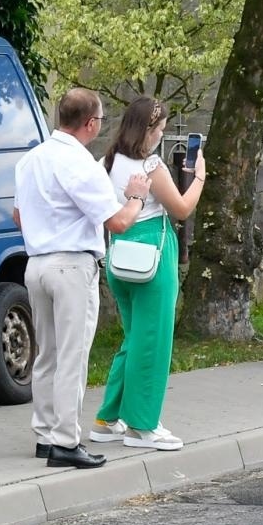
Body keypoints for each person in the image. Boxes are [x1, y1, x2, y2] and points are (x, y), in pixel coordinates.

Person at [13, 88, 150, 469]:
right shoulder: (82, 163)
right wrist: (136, 196)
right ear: (91, 123)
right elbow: (118, 222)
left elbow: (18, 216)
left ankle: (44, 434)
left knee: (48, 355)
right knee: (72, 356)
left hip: (36, 262)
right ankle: (66, 441)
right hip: (72, 264)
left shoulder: (30, 160)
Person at [92, 97, 207, 452]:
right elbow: (183, 209)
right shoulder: (151, 166)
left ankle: (108, 419)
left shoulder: (107, 160)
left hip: (120, 252)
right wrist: (200, 173)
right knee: (153, 342)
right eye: (159, 129)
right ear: (147, 131)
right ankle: (142, 426)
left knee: (134, 338)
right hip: (154, 255)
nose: (162, 135)